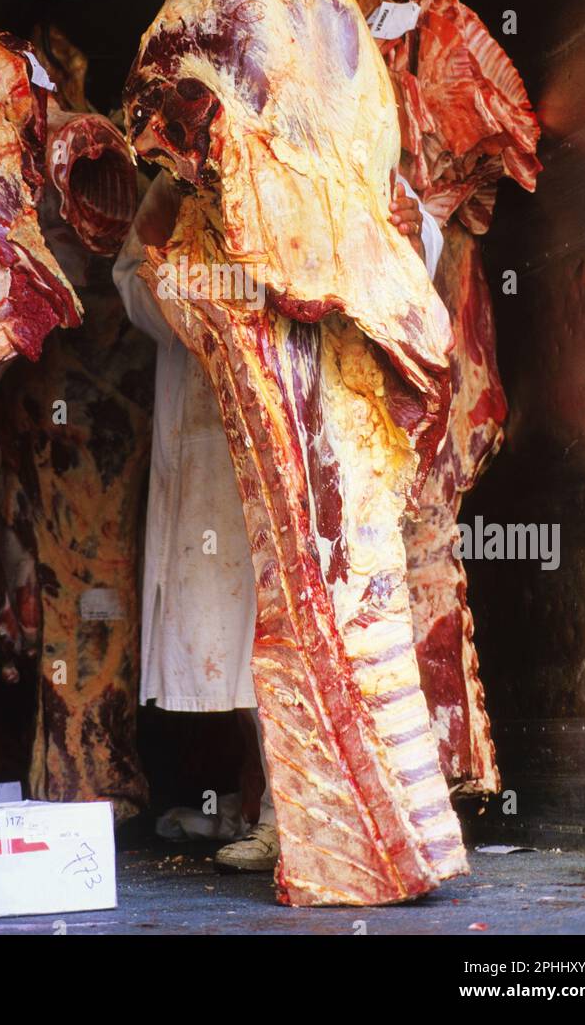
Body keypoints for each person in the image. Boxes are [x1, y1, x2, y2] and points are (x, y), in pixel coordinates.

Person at [113, 171, 442, 871]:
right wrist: (203, 302)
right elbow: (134, 277)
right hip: (217, 411)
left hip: (314, 410)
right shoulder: (178, 176)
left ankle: (314, 816)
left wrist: (386, 248)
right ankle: (278, 807)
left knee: (325, 614)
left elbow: (412, 241)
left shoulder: (321, 128)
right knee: (235, 628)